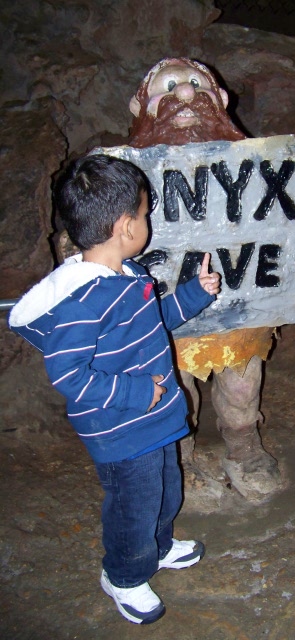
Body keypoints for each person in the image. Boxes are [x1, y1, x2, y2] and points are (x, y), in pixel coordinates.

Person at [8, 154, 221, 625]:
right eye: (145, 214)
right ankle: (124, 575)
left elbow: (154, 325)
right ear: (126, 226)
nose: (148, 222)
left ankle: (158, 546)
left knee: (165, 489)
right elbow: (69, 375)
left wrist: (194, 294)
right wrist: (135, 393)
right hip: (121, 428)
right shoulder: (82, 303)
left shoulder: (131, 275)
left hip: (155, 417)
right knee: (133, 507)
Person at [127, 58, 295, 502]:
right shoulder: (123, 175)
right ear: (140, 106)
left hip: (240, 310)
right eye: (169, 86)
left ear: (220, 99)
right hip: (165, 317)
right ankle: (179, 456)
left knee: (242, 385)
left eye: (195, 84)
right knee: (176, 390)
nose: (185, 94)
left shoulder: (257, 165)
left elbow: (283, 218)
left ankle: (244, 447)